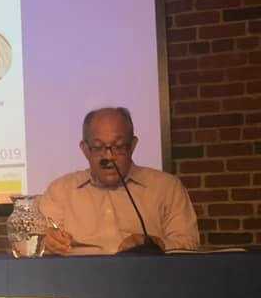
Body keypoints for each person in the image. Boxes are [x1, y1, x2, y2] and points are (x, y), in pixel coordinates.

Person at [40, 107, 200, 255]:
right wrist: (46, 242)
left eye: (118, 146)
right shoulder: (60, 191)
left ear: (133, 146)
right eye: (98, 147)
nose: (109, 157)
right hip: (77, 282)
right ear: (85, 150)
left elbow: (188, 242)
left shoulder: (166, 187)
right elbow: (29, 243)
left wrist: (155, 244)